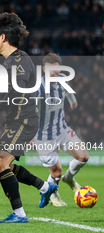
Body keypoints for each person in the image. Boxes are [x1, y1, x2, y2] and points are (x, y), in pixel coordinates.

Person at [0, 13, 57, 223]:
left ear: (3, 37)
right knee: (6, 164)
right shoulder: (15, 60)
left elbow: (18, 91)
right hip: (19, 120)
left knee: (0, 163)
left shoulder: (18, 62)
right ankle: (45, 186)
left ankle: (19, 214)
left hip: (23, 120)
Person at [33, 53, 89, 206]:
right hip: (43, 135)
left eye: (57, 69)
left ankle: (69, 178)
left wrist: (73, 101)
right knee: (56, 172)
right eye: (51, 70)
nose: (55, 73)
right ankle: (53, 194)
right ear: (44, 69)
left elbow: (68, 90)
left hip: (61, 130)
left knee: (83, 157)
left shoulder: (63, 79)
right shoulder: (38, 87)